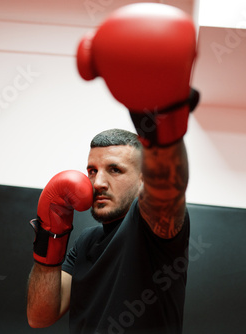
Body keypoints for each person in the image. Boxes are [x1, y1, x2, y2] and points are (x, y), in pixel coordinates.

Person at [26, 3, 199, 333]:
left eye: (115, 170)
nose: (98, 182)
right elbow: (40, 316)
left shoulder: (152, 230)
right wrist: (50, 236)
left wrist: (161, 122)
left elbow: (168, 190)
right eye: (91, 171)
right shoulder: (86, 243)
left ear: (143, 178)